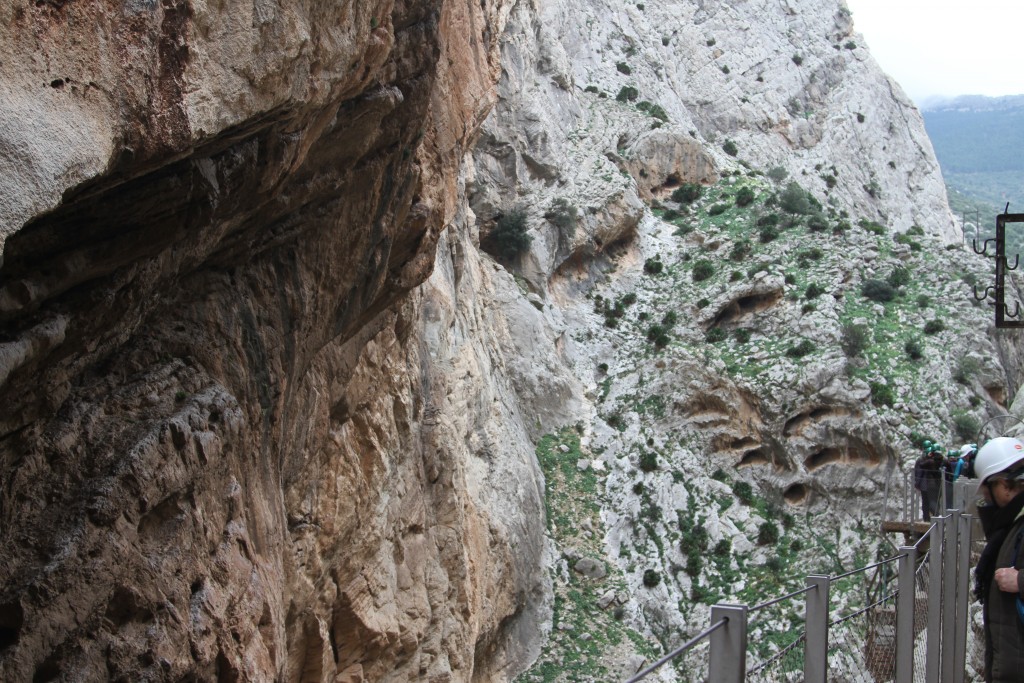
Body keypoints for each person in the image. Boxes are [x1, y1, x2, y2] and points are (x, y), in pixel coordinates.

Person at [973, 436, 1024, 682]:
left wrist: (1020, 581)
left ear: (1004, 486)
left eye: (987, 490)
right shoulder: (1011, 525)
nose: (985, 498)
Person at [913, 444, 943, 520]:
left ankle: (928, 518)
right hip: (936, 484)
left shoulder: (925, 461)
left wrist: (917, 483)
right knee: (934, 501)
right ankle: (934, 517)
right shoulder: (940, 460)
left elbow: (919, 471)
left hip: (926, 485)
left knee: (926, 502)